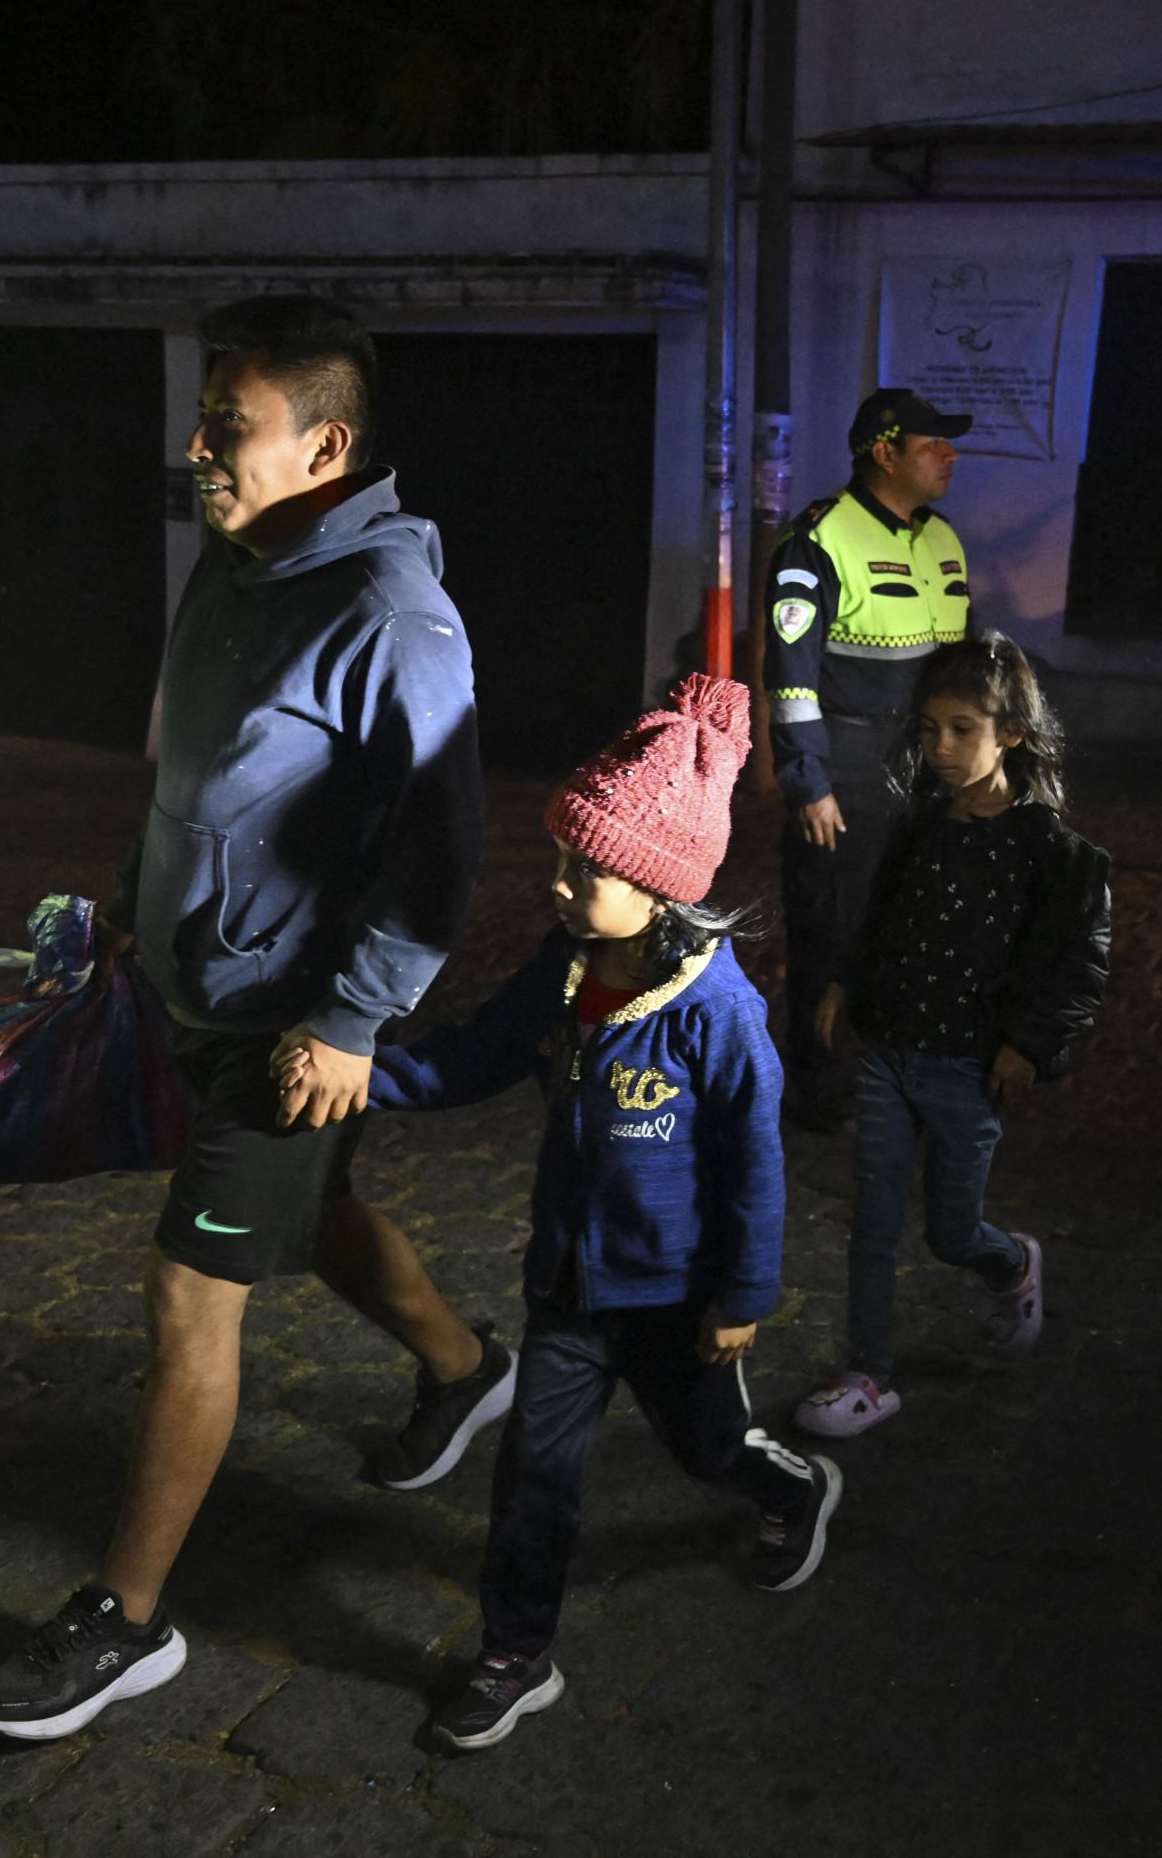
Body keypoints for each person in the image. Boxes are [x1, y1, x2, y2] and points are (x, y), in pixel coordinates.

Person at [0, 296, 512, 1742]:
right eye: (203, 417)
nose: (198, 447)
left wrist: (352, 1021)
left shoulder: (390, 614)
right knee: (313, 1210)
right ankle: (471, 1372)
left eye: (229, 426)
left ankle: (125, 1620)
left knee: (186, 1292)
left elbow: (440, 847)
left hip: (296, 1019)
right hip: (195, 985)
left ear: (324, 443)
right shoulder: (236, 558)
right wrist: (126, 905)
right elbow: (198, 770)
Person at [300, 674, 840, 1752]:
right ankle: (514, 1653)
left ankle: (788, 1486)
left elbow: (752, 1166)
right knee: (534, 1479)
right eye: (563, 859)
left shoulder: (719, 1015)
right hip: (565, 1293)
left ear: (658, 887)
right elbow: (474, 1058)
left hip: (679, 1300)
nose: (561, 884)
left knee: (708, 1447)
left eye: (586, 869)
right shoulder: (565, 970)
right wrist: (364, 1073)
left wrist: (742, 1295)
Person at [792, 634, 1109, 1440]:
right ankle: (869, 1374)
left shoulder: (1049, 849)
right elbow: (883, 919)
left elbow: (1078, 960)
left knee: (948, 1229)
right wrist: (844, 983)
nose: (940, 747)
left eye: (961, 729)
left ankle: (1010, 1263)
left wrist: (1029, 1045)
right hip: (890, 1054)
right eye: (930, 729)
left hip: (967, 1068)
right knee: (872, 1217)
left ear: (1009, 734)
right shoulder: (920, 825)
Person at [761, 387, 975, 1131]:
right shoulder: (818, 542)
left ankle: (896, 1080)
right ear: (884, 453)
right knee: (832, 933)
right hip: (845, 771)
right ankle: (820, 1092)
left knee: (916, 930)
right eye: (931, 444)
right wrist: (807, 781)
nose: (948, 455)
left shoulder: (943, 538)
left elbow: (965, 666)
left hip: (925, 769)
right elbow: (790, 679)